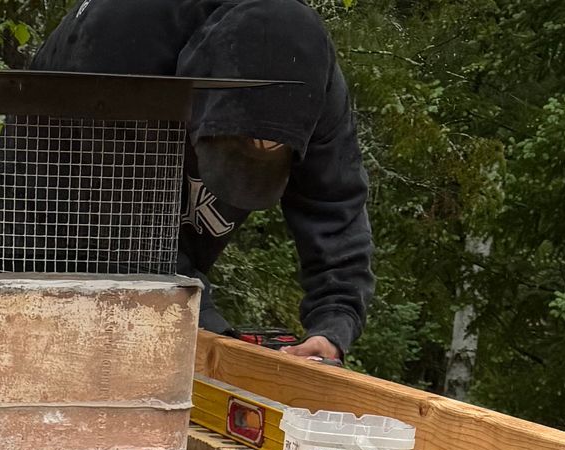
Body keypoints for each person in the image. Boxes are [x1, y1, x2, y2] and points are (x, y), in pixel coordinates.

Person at [32, 0, 374, 363]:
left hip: (155, 240)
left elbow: (335, 204)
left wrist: (333, 322)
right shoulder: (122, 40)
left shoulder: (311, 74)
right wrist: (210, 331)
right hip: (48, 218)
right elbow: (118, 236)